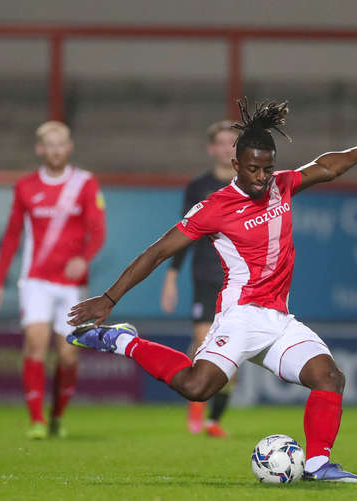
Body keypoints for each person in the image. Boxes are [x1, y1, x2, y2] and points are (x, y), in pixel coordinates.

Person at [66, 99, 357, 482]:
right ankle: (122, 341)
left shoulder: (282, 185)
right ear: (237, 165)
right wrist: (109, 298)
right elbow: (158, 252)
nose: (262, 177)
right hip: (240, 316)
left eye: (268, 168)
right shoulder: (215, 207)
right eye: (254, 169)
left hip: (278, 319)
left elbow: (326, 167)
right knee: (197, 387)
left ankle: (317, 465)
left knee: (329, 377)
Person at [0, 121, 106, 439]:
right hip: (36, 281)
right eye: (49, 145)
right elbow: (12, 235)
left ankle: (57, 415)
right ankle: (37, 420)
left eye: (61, 144)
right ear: (39, 149)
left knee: (68, 353)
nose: (55, 150)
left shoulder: (85, 183)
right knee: (35, 344)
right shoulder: (25, 186)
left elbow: (98, 230)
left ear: (69, 147)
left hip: (72, 285)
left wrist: (84, 257)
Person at [160, 120, 239, 437]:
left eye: (232, 143)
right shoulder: (198, 187)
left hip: (240, 281)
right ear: (211, 148)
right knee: (204, 344)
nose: (226, 148)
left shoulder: (252, 184)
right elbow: (185, 233)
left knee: (234, 353)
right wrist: (171, 275)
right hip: (206, 276)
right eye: (221, 142)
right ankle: (196, 412)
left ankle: (214, 421)